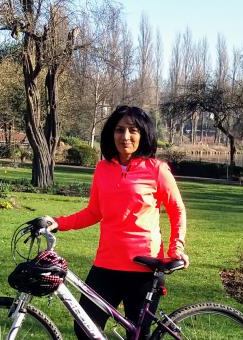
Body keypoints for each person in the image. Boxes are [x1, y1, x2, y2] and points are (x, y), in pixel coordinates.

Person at [42, 105, 188, 339]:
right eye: (120, 130)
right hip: (105, 266)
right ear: (111, 133)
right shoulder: (102, 168)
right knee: (85, 329)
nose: (126, 137)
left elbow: (177, 210)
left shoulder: (157, 170)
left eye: (133, 130)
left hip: (144, 267)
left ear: (144, 134)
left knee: (138, 336)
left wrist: (176, 248)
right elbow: (93, 212)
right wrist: (58, 222)